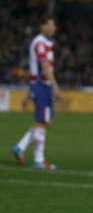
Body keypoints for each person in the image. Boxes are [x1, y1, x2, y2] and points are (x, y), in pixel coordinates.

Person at [12, 15, 59, 170]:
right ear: (42, 26)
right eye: (49, 25)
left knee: (46, 122)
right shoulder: (40, 43)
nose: (52, 28)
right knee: (42, 122)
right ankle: (39, 160)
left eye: (54, 25)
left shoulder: (46, 42)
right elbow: (44, 66)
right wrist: (55, 85)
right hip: (41, 84)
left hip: (42, 84)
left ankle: (20, 147)